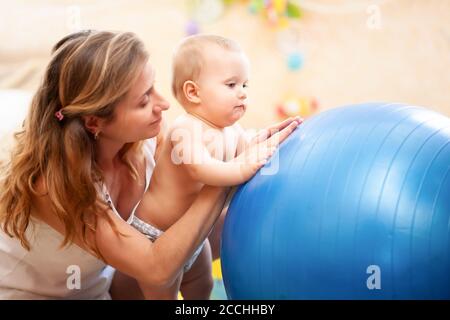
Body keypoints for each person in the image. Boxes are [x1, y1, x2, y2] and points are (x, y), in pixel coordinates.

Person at [0, 30, 298, 299]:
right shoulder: (57, 186)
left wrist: (261, 157)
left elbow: (194, 217)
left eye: (153, 86)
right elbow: (156, 269)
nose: (164, 103)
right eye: (144, 100)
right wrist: (229, 176)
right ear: (94, 121)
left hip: (106, 285)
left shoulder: (145, 141)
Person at [133, 34, 302, 299]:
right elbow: (202, 169)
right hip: (155, 237)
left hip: (194, 236)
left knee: (201, 285)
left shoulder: (230, 130)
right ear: (193, 92)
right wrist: (243, 167)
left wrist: (266, 139)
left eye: (245, 84)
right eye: (231, 84)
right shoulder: (185, 129)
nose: (243, 93)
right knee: (161, 294)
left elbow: (246, 148)